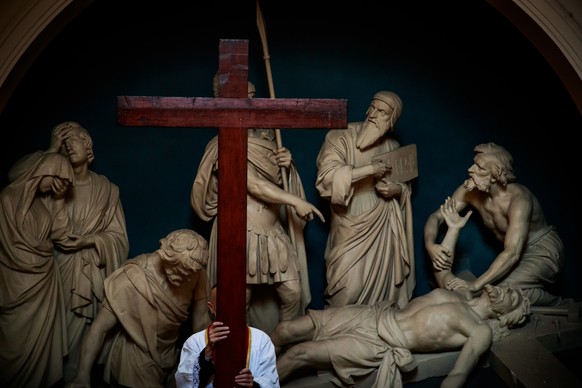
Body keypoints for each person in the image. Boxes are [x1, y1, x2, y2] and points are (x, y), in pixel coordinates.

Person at [191, 80, 324, 333]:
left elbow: (279, 184)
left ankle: (278, 352)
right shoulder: (223, 145)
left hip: (272, 229)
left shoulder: (268, 141)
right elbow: (252, 185)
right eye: (243, 98)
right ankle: (243, 353)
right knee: (239, 300)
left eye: (252, 97)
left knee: (293, 292)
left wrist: (288, 166)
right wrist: (295, 200)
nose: (250, 104)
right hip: (242, 229)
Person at [8, 121, 130, 381]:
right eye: (63, 143)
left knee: (82, 340)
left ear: (88, 147)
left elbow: (119, 239)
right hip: (52, 272)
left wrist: (88, 242)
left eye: (73, 140)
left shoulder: (107, 191)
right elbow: (16, 178)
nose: (67, 146)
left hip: (89, 275)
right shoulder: (49, 185)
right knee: (48, 335)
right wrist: (51, 151)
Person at [270, 283, 530, 388]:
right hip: (373, 314)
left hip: (380, 343)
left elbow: (459, 374)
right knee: (286, 330)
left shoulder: (480, 330)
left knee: (298, 354)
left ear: (505, 315)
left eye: (513, 297)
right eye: (510, 288)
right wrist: (452, 227)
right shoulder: (461, 293)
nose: (507, 289)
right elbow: (441, 257)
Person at [424, 142, 565, 306]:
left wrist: (475, 285)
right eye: (474, 163)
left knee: (493, 295)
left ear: (494, 175)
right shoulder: (470, 191)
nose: (471, 169)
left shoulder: (519, 199)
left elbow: (512, 253)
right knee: (492, 295)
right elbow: (436, 217)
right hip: (513, 253)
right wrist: (430, 245)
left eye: (480, 168)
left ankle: (562, 305)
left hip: (543, 251)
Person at [67, 229, 212, 388]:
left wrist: (209, 351)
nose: (188, 278)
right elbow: (99, 328)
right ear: (166, 259)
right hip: (134, 355)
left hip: (169, 356)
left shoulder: (196, 274)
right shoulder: (132, 278)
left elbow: (201, 322)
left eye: (191, 274)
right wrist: (82, 375)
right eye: (182, 272)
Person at [315, 90, 414, 308]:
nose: (373, 114)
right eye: (373, 107)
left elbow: (405, 188)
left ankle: (372, 332)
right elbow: (327, 177)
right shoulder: (341, 136)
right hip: (350, 216)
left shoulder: (393, 148)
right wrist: (369, 170)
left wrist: (396, 190)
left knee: (384, 291)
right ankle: (337, 329)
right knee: (348, 287)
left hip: (384, 220)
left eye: (382, 112)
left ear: (391, 120)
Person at [0, 152, 74, 387]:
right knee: (14, 341)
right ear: (42, 172)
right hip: (17, 281)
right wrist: (41, 251)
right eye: (54, 181)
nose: (54, 188)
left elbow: (59, 235)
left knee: (42, 347)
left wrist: (60, 200)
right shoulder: (8, 198)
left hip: (44, 283)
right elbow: (9, 246)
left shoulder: (43, 206)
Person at [175, 286, 279, 387]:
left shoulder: (261, 340)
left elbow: (270, 379)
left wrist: (254, 384)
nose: (231, 309)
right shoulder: (194, 342)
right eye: (224, 304)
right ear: (211, 308)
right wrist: (207, 353)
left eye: (235, 303)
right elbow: (184, 382)